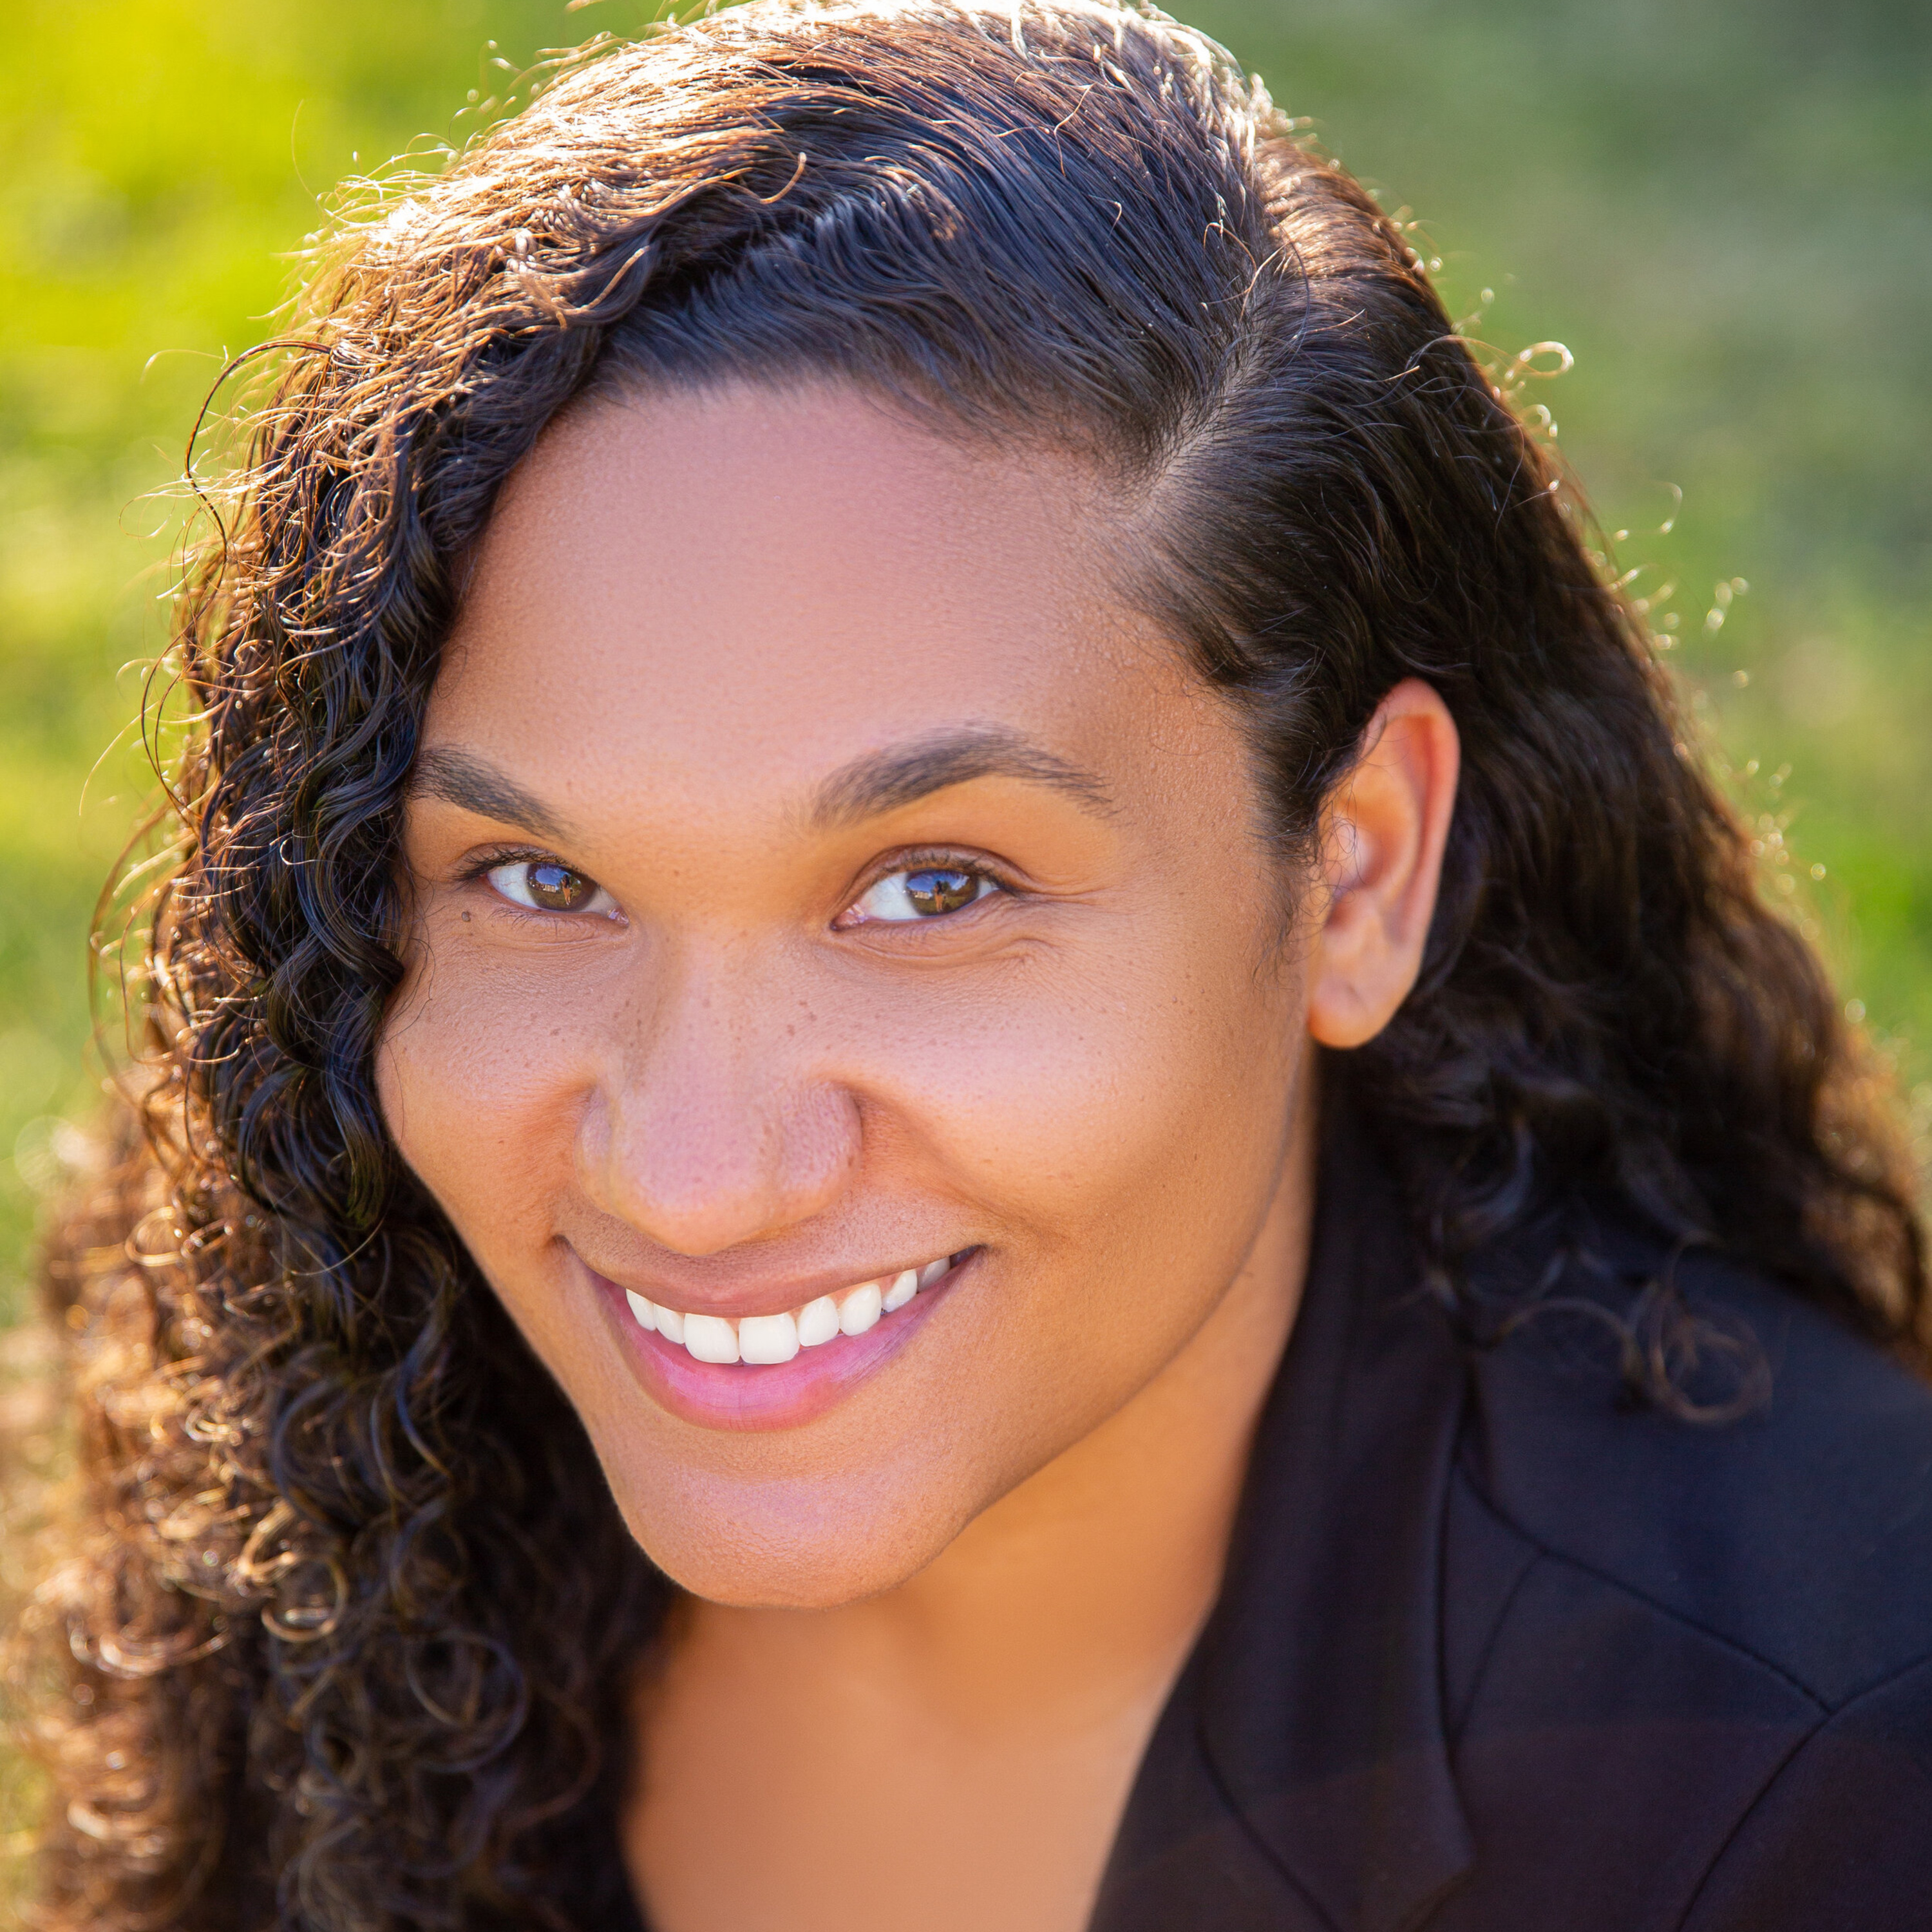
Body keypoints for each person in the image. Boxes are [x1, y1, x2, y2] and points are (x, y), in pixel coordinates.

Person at [17, 1, 1932, 1926]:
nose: (695, 1179)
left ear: (1354, 874)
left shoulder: (1827, 1780)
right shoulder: (330, 1470)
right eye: (541, 879)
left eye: (933, 890)